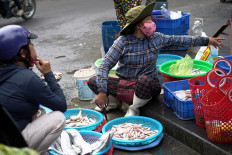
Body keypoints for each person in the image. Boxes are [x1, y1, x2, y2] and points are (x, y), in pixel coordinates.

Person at [87, 2, 225, 117]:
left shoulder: (157, 38)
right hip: (126, 85)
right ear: (138, 25)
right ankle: (115, 101)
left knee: (144, 80)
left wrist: (207, 40)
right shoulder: (122, 42)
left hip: (147, 87)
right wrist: (102, 92)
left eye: (151, 20)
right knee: (94, 80)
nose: (152, 23)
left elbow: (181, 39)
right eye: (148, 20)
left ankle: (134, 107)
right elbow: (104, 66)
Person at [0, 25, 67, 155]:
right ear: (23, 53)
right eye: (31, 44)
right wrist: (48, 74)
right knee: (58, 118)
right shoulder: (26, 78)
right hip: (9, 148)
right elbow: (61, 106)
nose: (33, 46)